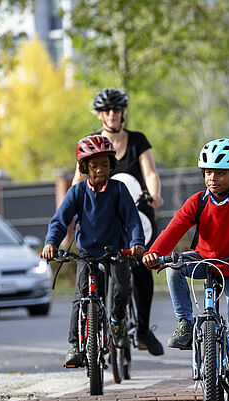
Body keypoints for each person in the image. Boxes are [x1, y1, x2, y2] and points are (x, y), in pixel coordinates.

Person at [143, 138, 229, 401]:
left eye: (221, 172)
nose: (213, 178)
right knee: (175, 268)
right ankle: (185, 323)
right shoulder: (198, 202)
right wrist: (155, 254)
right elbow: (173, 229)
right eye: (208, 172)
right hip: (203, 260)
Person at [71, 88, 165, 356]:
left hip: (137, 212)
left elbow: (150, 172)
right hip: (102, 217)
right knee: (96, 269)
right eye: (107, 110)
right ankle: (98, 323)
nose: (112, 114)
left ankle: (144, 329)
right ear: (99, 114)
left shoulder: (137, 141)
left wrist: (155, 194)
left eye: (116, 109)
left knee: (142, 264)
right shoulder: (91, 143)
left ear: (123, 113)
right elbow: (77, 182)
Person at [43, 135, 146, 368]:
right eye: (94, 165)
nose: (100, 169)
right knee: (81, 297)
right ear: (85, 167)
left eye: (105, 164)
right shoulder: (77, 192)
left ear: (111, 166)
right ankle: (74, 346)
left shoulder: (119, 190)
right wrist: (51, 243)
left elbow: (132, 221)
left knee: (122, 287)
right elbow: (60, 221)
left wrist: (137, 242)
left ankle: (117, 320)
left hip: (116, 250)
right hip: (87, 252)